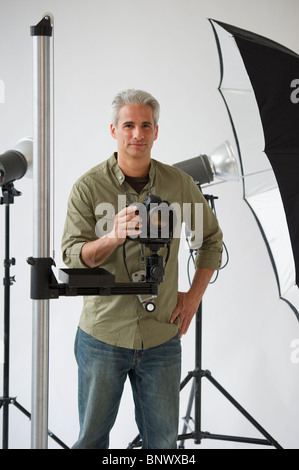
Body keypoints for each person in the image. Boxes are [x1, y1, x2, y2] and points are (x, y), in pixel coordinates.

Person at [61, 89, 223, 449]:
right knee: (90, 440)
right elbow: (72, 257)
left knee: (163, 443)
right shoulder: (89, 187)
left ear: (156, 131)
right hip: (103, 334)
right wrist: (112, 237)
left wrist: (193, 297)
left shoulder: (179, 184)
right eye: (129, 125)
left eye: (145, 125)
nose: (137, 134)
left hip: (162, 336)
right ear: (114, 130)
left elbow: (211, 240)